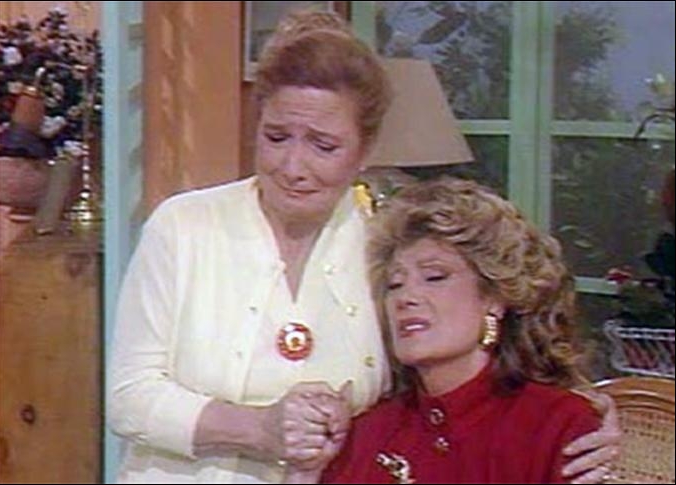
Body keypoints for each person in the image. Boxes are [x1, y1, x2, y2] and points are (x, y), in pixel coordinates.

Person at [108, 10, 619, 484]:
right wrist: (260, 429)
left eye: (323, 145)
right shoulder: (184, 226)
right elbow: (129, 398)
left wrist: (588, 411)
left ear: (364, 151)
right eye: (277, 137)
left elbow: (462, 362)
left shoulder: (385, 245)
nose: (293, 166)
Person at [291, 177, 613, 484]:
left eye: (434, 277)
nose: (407, 297)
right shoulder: (366, 433)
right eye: (395, 284)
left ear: (494, 298)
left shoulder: (559, 424)